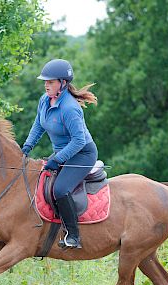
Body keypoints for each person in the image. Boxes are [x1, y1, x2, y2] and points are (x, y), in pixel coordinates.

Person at [21, 59, 98, 248]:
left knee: (60, 189)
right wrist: (26, 147)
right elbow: (38, 124)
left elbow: (79, 141)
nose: (46, 85)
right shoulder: (44, 100)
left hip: (82, 154)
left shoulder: (69, 108)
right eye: (45, 81)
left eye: (51, 81)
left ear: (63, 83)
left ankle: (73, 235)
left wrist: (57, 159)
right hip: (63, 152)